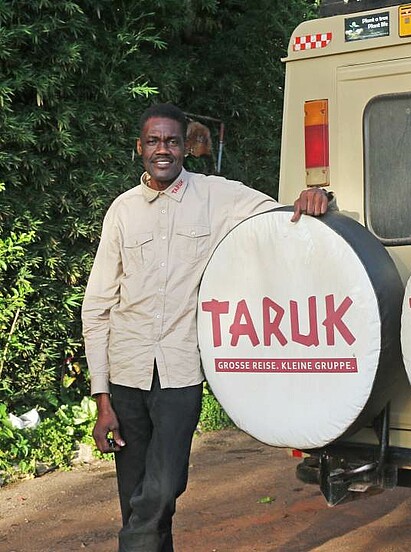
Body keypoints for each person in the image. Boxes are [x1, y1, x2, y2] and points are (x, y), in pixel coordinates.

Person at [81, 103, 332, 551]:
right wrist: (103, 399)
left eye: (172, 141)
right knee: (135, 494)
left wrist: (315, 198)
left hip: (180, 372)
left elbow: (277, 213)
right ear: (140, 148)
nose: (163, 150)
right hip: (125, 373)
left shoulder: (217, 196)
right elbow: (97, 306)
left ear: (186, 148)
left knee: (163, 486)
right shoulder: (122, 211)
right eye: (154, 141)